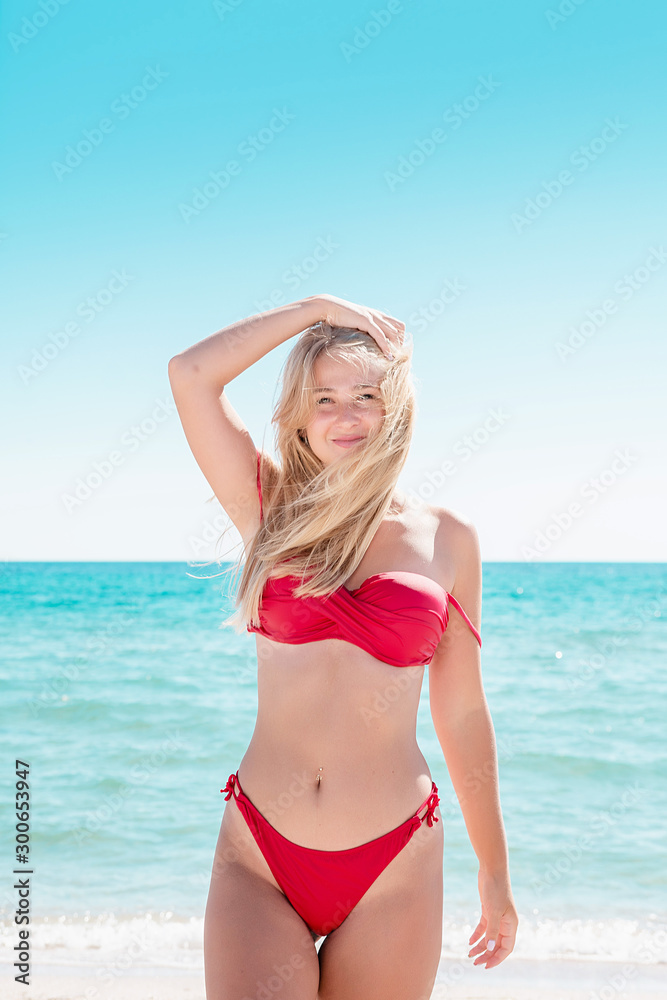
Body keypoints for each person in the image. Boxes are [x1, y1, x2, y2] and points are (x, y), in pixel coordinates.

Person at [168, 293, 518, 1000]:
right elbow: (190, 373)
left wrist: (494, 871)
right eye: (322, 398)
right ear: (298, 415)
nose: (346, 415)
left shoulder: (446, 538)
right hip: (260, 857)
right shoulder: (267, 510)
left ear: (396, 408)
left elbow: (463, 716)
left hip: (394, 864)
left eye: (365, 394)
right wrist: (313, 308)